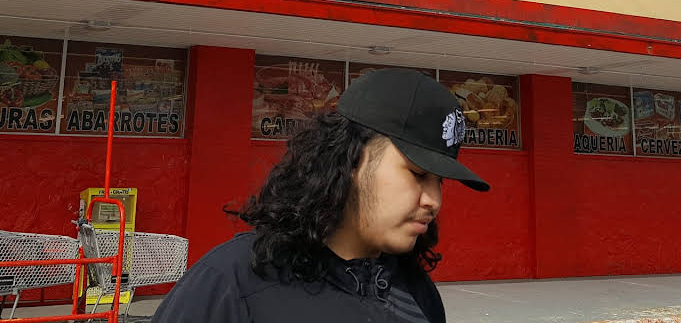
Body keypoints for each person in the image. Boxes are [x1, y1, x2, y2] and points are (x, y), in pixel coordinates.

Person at [153, 68, 490, 322]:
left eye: (440, 182)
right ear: (350, 161)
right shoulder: (232, 283)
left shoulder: (417, 295)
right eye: (418, 174)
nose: (433, 200)